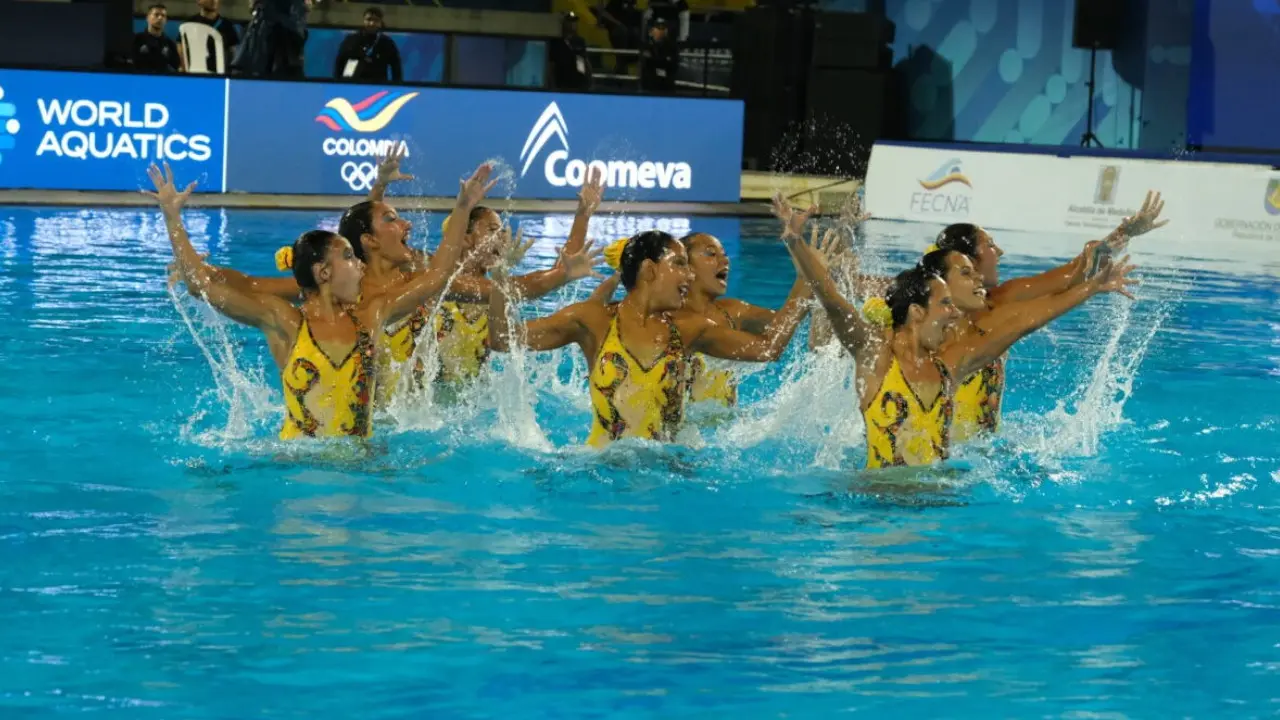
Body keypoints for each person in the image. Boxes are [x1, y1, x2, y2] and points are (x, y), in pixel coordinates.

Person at [779, 196, 1140, 469]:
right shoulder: (878, 353)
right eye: (949, 298)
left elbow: (1025, 322)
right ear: (921, 310)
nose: (954, 309)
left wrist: (1092, 287)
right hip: (877, 500)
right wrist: (797, 242)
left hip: (946, 494)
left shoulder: (952, 365)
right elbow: (832, 298)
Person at [148, 161, 489, 440]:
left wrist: (462, 207)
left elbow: (438, 277)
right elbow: (202, 285)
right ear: (324, 272)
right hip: (295, 471)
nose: (359, 266)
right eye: (349, 258)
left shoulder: (372, 315)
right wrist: (172, 218)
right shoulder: (283, 321)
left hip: (362, 470)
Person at [486, 222, 824, 448]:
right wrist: (502, 277)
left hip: (672, 473)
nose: (689, 276)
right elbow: (502, 339)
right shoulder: (592, 320)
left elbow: (769, 348)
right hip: (601, 470)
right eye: (678, 264)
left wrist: (807, 277)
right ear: (649, 270)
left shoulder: (689, 329)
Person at [333, 7, 402, 83]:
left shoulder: (387, 42)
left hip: (378, 86)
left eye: (376, 20)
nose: (372, 23)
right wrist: (337, 82)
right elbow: (340, 62)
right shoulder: (351, 40)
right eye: (369, 19)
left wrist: (396, 85)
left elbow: (396, 67)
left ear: (380, 22)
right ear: (364, 20)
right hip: (353, 84)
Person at [132, 4, 182, 73]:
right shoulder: (136, 40)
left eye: (163, 16)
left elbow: (176, 67)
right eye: (156, 14)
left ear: (166, 20)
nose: (160, 18)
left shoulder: (170, 44)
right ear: (147, 18)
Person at [549, 11, 592, 91]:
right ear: (564, 23)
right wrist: (553, 87)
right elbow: (552, 66)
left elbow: (584, 61)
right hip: (562, 84)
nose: (573, 24)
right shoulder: (556, 43)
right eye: (570, 21)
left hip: (578, 84)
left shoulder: (580, 41)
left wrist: (588, 80)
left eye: (574, 21)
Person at [639, 17, 678, 94]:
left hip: (667, 85)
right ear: (651, 31)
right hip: (650, 85)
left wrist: (656, 60)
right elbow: (647, 63)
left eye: (663, 28)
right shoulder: (646, 46)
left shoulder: (672, 46)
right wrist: (663, 60)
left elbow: (673, 64)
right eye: (658, 28)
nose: (661, 31)